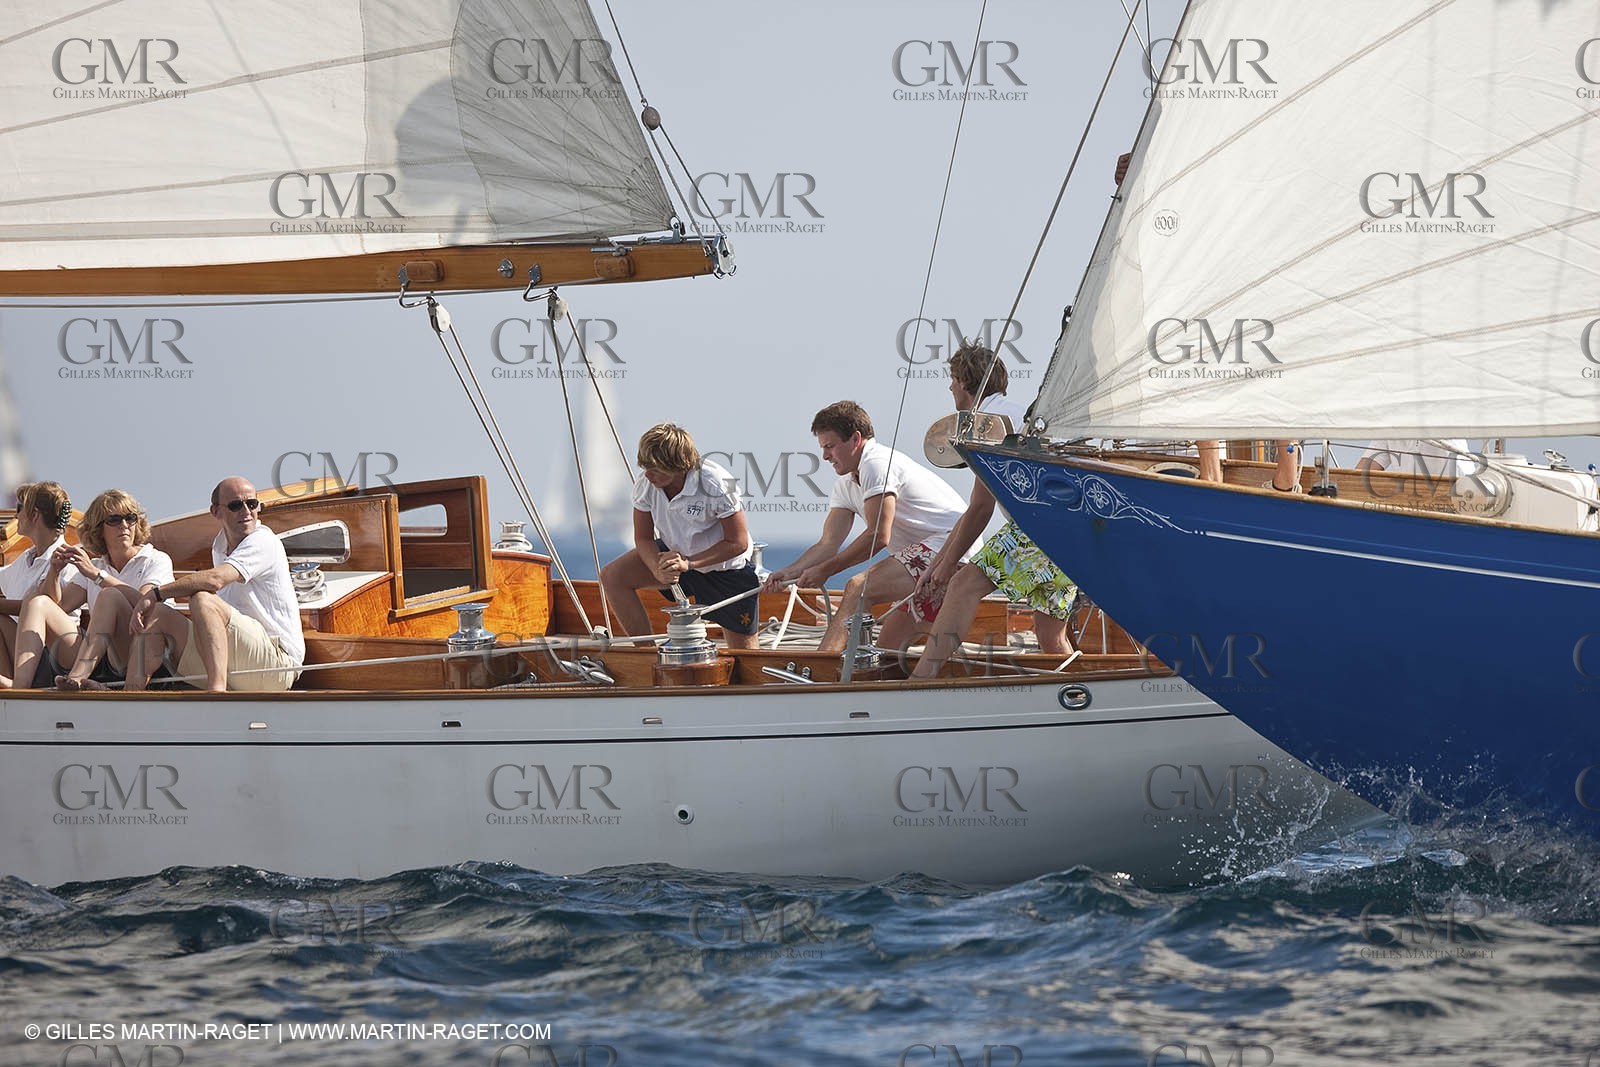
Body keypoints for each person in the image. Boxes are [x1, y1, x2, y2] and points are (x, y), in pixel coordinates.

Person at [909, 344, 1077, 679]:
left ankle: (920, 680)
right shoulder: (1015, 414)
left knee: (962, 587)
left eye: (953, 380)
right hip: (1071, 530)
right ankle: (1080, 686)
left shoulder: (988, 426)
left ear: (965, 381)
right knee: (1049, 634)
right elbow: (976, 507)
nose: (950, 388)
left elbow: (981, 508)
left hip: (1037, 526)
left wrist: (944, 572)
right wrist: (940, 561)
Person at [763, 401, 966, 655]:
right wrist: (790, 572)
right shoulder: (846, 483)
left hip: (952, 548)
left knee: (858, 589)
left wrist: (825, 570)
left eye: (830, 447)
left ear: (856, 439)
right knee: (887, 657)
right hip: (928, 558)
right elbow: (828, 543)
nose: (825, 456)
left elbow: (878, 536)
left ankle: (819, 670)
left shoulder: (876, 463)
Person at [125, 477, 303, 691]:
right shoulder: (219, 547)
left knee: (202, 598)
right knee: (158, 615)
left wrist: (154, 594)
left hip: (276, 666)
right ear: (216, 511)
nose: (246, 511)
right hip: (236, 661)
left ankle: (215, 695)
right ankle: (130, 698)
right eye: (236, 505)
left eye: (252, 504)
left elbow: (215, 580)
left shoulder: (263, 540)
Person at [599, 423, 761, 650]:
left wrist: (690, 563)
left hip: (725, 571)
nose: (647, 474)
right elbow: (644, 538)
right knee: (612, 576)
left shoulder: (716, 483)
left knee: (745, 656)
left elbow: (738, 542)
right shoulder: (646, 484)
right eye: (645, 466)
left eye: (655, 468)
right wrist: (657, 568)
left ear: (678, 465)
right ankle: (645, 655)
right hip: (675, 559)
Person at [50, 490, 174, 690]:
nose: (124, 525)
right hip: (113, 658)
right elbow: (58, 608)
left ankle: (76, 677)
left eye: (130, 518)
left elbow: (145, 602)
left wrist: (98, 576)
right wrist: (53, 572)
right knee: (37, 604)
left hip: (152, 656)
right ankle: (19, 685)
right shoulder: (96, 565)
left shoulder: (155, 559)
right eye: (115, 520)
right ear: (98, 528)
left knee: (110, 596)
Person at [0, 481, 73, 687]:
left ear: (34, 515)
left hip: (54, 655)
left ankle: (16, 688)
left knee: (36, 603)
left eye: (19, 508)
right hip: (27, 652)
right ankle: (8, 691)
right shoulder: (26, 559)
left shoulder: (68, 558)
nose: (16, 516)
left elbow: (42, 604)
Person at [1356, 438, 1472, 480]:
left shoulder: (1448, 416)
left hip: (1455, 508)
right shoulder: (1392, 423)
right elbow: (1360, 476)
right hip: (1409, 507)